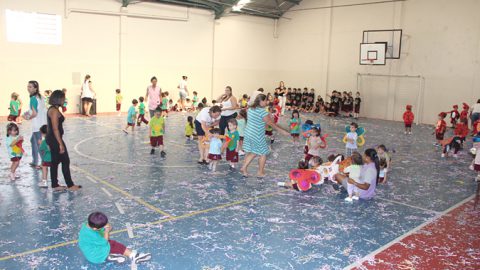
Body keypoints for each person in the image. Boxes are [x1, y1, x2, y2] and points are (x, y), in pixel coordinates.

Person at [241, 94, 289, 178]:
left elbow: (259, 122)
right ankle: (260, 172)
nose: (267, 102)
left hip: (248, 132)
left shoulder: (250, 109)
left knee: (253, 151)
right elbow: (271, 124)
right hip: (257, 135)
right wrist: (282, 131)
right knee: (263, 153)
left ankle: (244, 168)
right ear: (261, 101)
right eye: (265, 100)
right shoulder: (262, 112)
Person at [78, 212, 151, 265]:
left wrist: (105, 227)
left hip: (91, 252)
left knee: (111, 244)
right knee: (113, 244)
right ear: (94, 228)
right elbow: (104, 242)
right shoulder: (92, 234)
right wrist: (106, 231)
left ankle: (110, 256)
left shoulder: (88, 224)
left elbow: (99, 230)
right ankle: (134, 256)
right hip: (95, 256)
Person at [46, 90, 82, 191]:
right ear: (59, 99)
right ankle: (70, 185)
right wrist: (60, 144)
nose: (64, 100)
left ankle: (55, 185)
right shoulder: (54, 111)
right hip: (55, 139)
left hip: (53, 138)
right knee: (65, 160)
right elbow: (55, 128)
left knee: (55, 162)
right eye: (63, 98)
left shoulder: (54, 109)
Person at [24, 80, 47, 169]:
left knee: (39, 144)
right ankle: (35, 161)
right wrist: (28, 112)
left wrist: (27, 117)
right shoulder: (41, 97)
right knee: (33, 141)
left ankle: (43, 163)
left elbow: (34, 113)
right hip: (42, 123)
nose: (28, 88)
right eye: (28, 86)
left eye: (30, 87)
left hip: (37, 125)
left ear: (35, 88)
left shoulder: (33, 98)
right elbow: (41, 110)